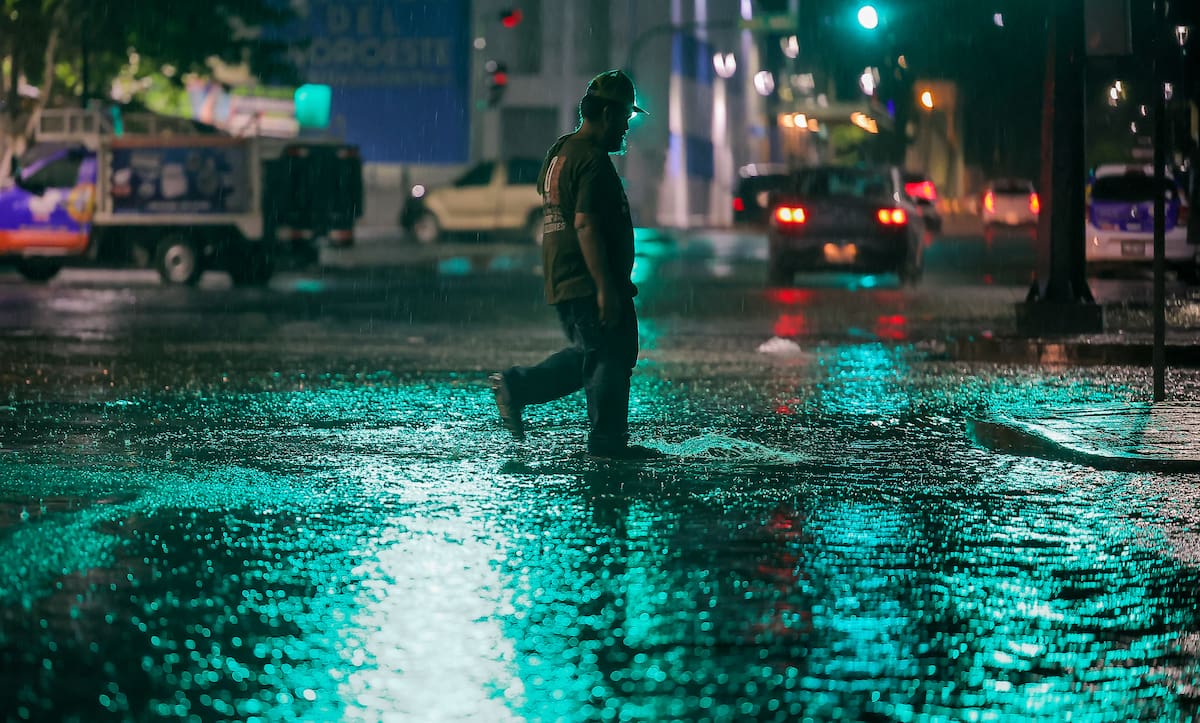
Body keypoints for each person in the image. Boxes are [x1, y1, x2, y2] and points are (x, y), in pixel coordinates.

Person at [489, 70, 659, 460]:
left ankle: (596, 435)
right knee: (607, 355)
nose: (625, 130)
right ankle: (603, 441)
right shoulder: (592, 161)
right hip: (587, 277)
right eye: (622, 120)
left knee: (598, 352)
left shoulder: (560, 152)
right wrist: (604, 287)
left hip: (565, 275)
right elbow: (583, 223)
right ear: (603, 114)